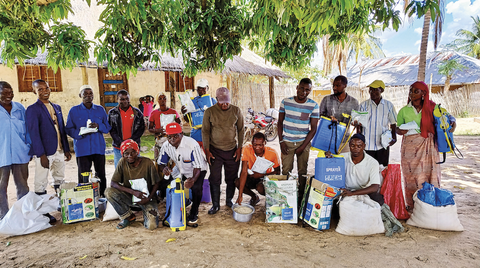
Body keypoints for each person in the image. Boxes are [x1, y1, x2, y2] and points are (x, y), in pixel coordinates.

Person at [396, 81, 456, 210]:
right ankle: (412, 206)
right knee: (411, 177)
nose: (412, 94)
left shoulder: (433, 107)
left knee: (429, 175)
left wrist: (452, 121)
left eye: (415, 91)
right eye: (411, 91)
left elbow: (447, 116)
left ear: (424, 93)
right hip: (409, 148)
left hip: (428, 147)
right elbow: (397, 128)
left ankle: (430, 205)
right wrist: (399, 131)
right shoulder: (404, 111)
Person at [26, 79, 71, 224]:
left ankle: (61, 206)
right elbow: (34, 133)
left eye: (46, 88)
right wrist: (41, 154)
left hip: (58, 150)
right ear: (34, 91)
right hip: (45, 153)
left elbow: (61, 129)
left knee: (59, 179)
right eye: (40, 89)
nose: (44, 91)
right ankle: (43, 213)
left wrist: (66, 149)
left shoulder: (56, 107)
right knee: (40, 182)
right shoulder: (33, 109)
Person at [277, 78, 319, 207]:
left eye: (307, 90)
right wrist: (281, 141)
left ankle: (300, 199)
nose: (304, 92)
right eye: (302, 88)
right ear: (297, 87)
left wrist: (303, 146)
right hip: (287, 142)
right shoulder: (286, 102)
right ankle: (284, 198)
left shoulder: (313, 105)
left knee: (303, 172)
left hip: (303, 143)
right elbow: (279, 123)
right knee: (286, 171)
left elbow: (313, 129)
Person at [202, 87, 244, 214]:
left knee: (231, 177)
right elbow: (205, 131)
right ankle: (215, 205)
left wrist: (239, 148)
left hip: (232, 150)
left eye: (227, 102)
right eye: (222, 102)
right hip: (215, 150)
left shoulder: (236, 110)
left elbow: (241, 129)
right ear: (217, 100)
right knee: (214, 178)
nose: (225, 105)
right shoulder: (209, 112)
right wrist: (207, 150)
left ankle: (229, 201)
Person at [157, 123, 208, 224]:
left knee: (196, 189)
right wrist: (164, 169)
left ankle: (194, 212)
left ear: (182, 134)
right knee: (163, 183)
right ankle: (184, 201)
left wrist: (192, 180)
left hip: (197, 170)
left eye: (175, 136)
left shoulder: (192, 145)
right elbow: (161, 163)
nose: (172, 139)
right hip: (180, 168)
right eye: (169, 136)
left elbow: (197, 166)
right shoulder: (166, 146)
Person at [66, 85, 111, 196]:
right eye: (85, 94)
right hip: (82, 148)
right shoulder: (74, 111)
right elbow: (69, 129)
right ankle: (85, 197)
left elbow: (107, 127)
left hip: (98, 147)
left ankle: (102, 196)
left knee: (100, 174)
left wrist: (98, 125)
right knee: (84, 175)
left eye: (90, 93)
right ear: (80, 95)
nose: (88, 96)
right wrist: (81, 133)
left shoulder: (100, 109)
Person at [105, 139, 160, 230]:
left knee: (151, 226)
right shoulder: (122, 162)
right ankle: (128, 216)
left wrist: (148, 198)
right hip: (130, 197)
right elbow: (113, 183)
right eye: (126, 153)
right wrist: (133, 192)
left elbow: (157, 183)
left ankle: (147, 212)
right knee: (109, 192)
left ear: (137, 152)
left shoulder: (147, 163)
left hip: (147, 199)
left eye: (133, 152)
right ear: (122, 154)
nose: (130, 156)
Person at [0, 81, 31, 220]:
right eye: (4, 93)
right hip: (2, 155)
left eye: (10, 92)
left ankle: (23, 214)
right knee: (1, 187)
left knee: (23, 186)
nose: (8, 96)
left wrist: (29, 146)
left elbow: (27, 130)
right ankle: (4, 217)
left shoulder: (19, 108)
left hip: (20, 152)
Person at [327, 134, 384, 205]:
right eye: (352, 145)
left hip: (364, 191)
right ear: (349, 146)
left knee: (379, 200)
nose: (355, 148)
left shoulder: (372, 163)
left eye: (359, 146)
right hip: (345, 190)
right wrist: (328, 157)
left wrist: (352, 193)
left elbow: (375, 187)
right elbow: (329, 163)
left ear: (364, 146)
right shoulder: (342, 157)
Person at [357, 80, 397, 166]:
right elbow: (359, 125)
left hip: (383, 145)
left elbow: (393, 123)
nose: (372, 92)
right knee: (366, 170)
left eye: (375, 90)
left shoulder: (388, 105)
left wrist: (394, 137)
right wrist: (359, 139)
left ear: (381, 90)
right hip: (367, 144)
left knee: (382, 170)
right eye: (371, 90)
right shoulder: (363, 105)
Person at [235, 132, 280, 206]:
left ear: (265, 143)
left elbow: (278, 172)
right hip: (251, 176)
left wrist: (261, 175)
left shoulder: (272, 153)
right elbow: (244, 171)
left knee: (260, 188)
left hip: (264, 178)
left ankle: (271, 200)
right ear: (252, 142)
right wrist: (240, 195)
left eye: (260, 145)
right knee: (237, 182)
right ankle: (254, 197)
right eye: (255, 145)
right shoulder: (246, 149)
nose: (257, 147)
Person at [319, 75, 359, 153]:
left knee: (344, 164)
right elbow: (320, 116)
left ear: (345, 86)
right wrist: (328, 118)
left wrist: (356, 122)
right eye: (333, 85)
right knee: (328, 164)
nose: (334, 88)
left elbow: (356, 120)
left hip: (345, 141)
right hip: (328, 140)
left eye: (337, 85)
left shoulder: (354, 102)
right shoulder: (326, 100)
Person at [108, 89, 145, 168]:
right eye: (122, 99)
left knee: (135, 171)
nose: (125, 101)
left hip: (134, 147)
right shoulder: (112, 113)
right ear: (117, 99)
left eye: (127, 99)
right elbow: (111, 129)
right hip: (118, 148)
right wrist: (121, 142)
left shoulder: (137, 112)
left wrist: (131, 142)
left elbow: (141, 128)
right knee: (119, 171)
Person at [181, 78, 217, 149]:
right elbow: (189, 120)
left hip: (209, 137)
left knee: (208, 158)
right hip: (195, 136)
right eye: (199, 89)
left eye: (203, 88)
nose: (201, 91)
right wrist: (184, 113)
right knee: (195, 158)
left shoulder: (213, 101)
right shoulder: (192, 102)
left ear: (207, 88)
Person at [148, 92, 181, 161]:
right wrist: (158, 130)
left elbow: (180, 124)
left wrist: (174, 131)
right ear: (158, 100)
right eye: (160, 98)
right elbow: (150, 129)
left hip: (172, 140)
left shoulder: (173, 112)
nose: (162, 100)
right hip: (160, 139)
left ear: (166, 99)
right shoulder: (154, 113)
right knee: (159, 160)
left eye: (164, 98)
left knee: (173, 161)